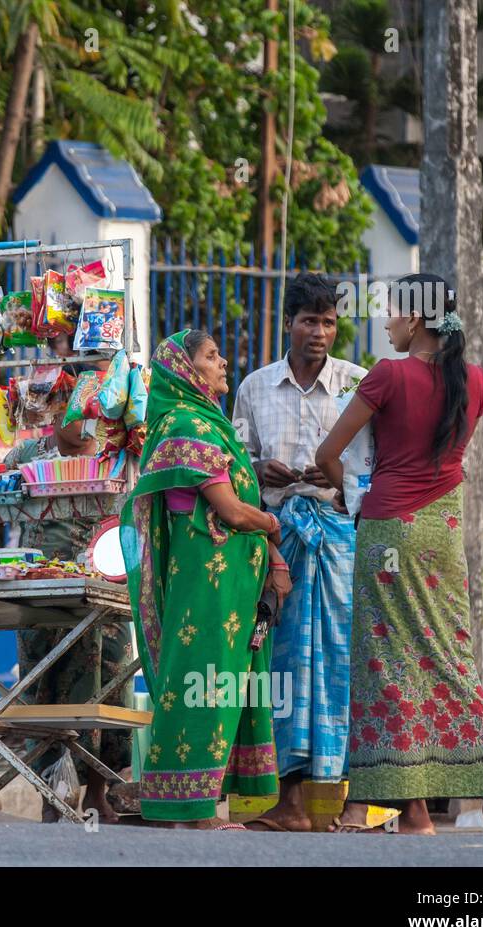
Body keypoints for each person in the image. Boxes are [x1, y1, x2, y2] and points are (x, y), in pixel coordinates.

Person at [315, 273, 483, 837]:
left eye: (392, 314)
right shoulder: (475, 380)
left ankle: (410, 812)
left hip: (387, 533)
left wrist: (350, 492)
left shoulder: (389, 375)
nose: (385, 324)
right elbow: (447, 456)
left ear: (418, 319)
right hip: (444, 534)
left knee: (387, 666)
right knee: (452, 660)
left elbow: (328, 452)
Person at [0, 370, 135, 823]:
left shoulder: (119, 457)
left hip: (105, 598)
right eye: (75, 412)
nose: (85, 423)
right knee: (43, 689)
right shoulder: (29, 455)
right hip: (41, 599)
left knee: (107, 689)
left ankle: (98, 793)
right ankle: (52, 794)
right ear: (56, 412)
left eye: (92, 413)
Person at [120, 329, 291, 828]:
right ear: (185, 369)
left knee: (222, 684)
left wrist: (268, 551)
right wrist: (272, 524)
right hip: (206, 583)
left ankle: (205, 804)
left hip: (231, 580)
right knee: (203, 681)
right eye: (211, 356)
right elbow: (232, 512)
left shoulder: (208, 424)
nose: (222, 363)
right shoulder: (186, 426)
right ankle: (191, 811)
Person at [230, 273, 367, 832]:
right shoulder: (255, 387)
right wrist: (259, 470)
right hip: (276, 538)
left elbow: (370, 469)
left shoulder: (359, 385)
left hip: (337, 536)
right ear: (287, 322)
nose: (319, 332)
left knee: (338, 663)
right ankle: (284, 798)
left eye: (329, 322)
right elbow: (234, 463)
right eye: (309, 320)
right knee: (278, 662)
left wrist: (337, 483)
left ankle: (338, 802)